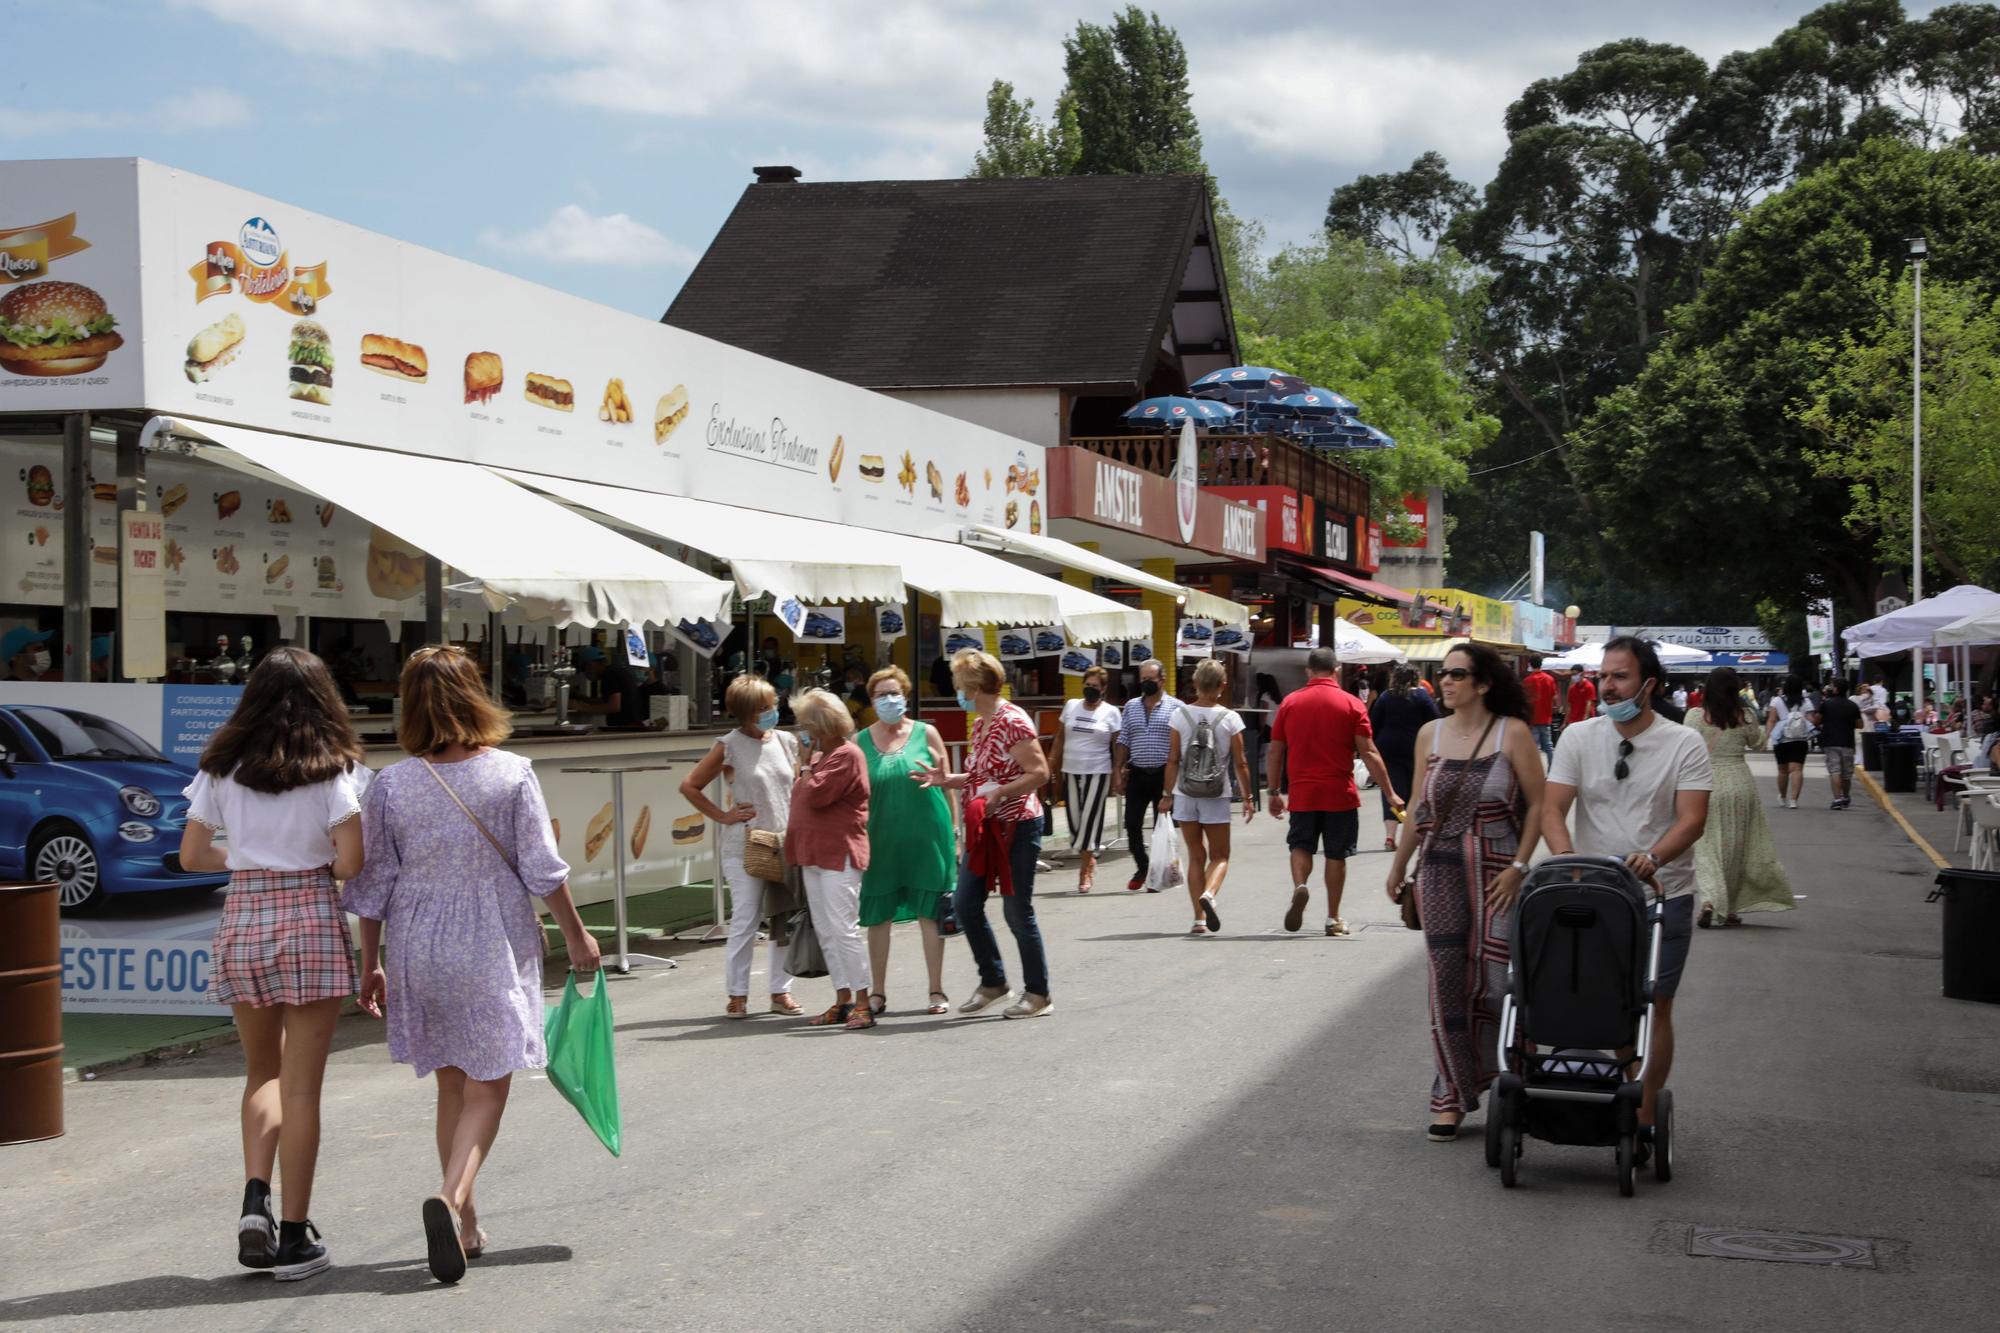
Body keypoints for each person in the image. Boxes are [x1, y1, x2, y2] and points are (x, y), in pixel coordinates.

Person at [342, 645, 602, 1285]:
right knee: (491, 1082)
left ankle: (466, 1227)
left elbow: (372, 884)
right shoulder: (511, 773)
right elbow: (542, 867)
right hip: (489, 939)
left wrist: (369, 962)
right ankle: (452, 1197)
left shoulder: (392, 783)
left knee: (453, 1084)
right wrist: (576, 935)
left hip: (416, 942)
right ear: (475, 697)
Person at [175, 648, 366, 1283]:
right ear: (323, 699)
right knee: (303, 1086)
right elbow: (350, 863)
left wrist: (249, 858)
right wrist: (304, 859)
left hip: (245, 919)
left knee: (261, 1071)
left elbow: (192, 855)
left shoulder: (221, 768)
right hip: (310, 915)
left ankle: (254, 1196)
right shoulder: (334, 771)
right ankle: (293, 1235)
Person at [1542, 636, 1712, 1155]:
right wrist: (1569, 862)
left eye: (1620, 677)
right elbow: (1553, 810)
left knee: (1654, 1003)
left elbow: (1692, 819)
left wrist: (1653, 858)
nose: (1607, 686)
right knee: (1607, 999)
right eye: (1603, 676)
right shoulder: (1577, 736)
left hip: (1664, 893)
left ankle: (1641, 1110)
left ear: (1649, 685)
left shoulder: (1684, 743)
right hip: (1593, 891)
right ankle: (1616, 1090)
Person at [1384, 643, 1545, 1141]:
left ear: (1483, 683)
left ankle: (1515, 1080)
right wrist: (1399, 863)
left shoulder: (1512, 733)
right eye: (1443, 673)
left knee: (1497, 982)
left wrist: (1521, 865)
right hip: (1439, 869)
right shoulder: (1429, 733)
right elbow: (1417, 804)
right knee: (1447, 983)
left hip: (1498, 869)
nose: (1446, 682)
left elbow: (1539, 805)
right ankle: (1451, 1093)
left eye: (1457, 674)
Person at [913, 649, 1053, 1019]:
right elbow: (980, 777)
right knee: (964, 903)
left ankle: (1038, 993)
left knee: (1016, 910)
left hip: (1018, 825)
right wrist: (947, 780)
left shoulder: (1012, 720)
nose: (956, 692)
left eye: (959, 685)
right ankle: (993, 980)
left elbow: (1040, 773)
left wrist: (1000, 794)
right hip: (986, 827)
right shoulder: (981, 722)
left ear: (974, 686)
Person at [678, 674, 804, 1019]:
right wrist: (722, 815)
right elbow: (690, 786)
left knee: (784, 918)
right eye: (764, 708)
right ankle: (737, 994)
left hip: (783, 840)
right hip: (746, 844)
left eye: (773, 705)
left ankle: (781, 991)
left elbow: (796, 785)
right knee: (746, 918)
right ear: (746, 712)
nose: (771, 712)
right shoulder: (729, 744)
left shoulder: (786, 741)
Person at [1267, 646, 1402, 937]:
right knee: (1336, 855)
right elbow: (1369, 752)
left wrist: (1274, 791)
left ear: (1308, 671)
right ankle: (1332, 918)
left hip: (1302, 793)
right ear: (1337, 670)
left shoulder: (1290, 703)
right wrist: (1390, 793)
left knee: (1300, 846)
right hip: (1339, 793)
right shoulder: (1352, 704)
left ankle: (1300, 885)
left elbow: (1276, 751)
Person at [856, 667, 954, 1017]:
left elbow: (946, 783)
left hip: (928, 837)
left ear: (906, 696)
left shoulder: (928, 733)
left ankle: (936, 989)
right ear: (871, 700)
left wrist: (955, 834)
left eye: (894, 693)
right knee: (877, 916)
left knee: (930, 913)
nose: (888, 700)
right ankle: (877, 992)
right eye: (881, 695)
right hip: (880, 840)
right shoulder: (860, 740)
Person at [786, 688, 875, 1029]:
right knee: (826, 929)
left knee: (843, 928)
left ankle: (862, 1001)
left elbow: (817, 794)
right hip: (815, 854)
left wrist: (807, 768)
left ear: (820, 726)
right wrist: (808, 768)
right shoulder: (824, 757)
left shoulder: (846, 755)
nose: (802, 732)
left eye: (806, 725)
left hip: (839, 854)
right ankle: (843, 997)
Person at [1687, 667, 1795, 926]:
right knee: (1737, 847)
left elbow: (1686, 747)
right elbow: (1759, 744)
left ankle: (1711, 900)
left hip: (1705, 782)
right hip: (1739, 782)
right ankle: (1731, 908)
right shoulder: (1744, 715)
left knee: (1706, 846)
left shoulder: (1695, 716)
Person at [1160, 658, 1256, 935]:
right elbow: (1241, 763)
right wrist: (1248, 798)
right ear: (1223, 685)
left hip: (1185, 792)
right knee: (1221, 855)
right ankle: (1210, 893)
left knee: (1196, 856)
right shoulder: (1231, 718)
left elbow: (1173, 759)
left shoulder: (1179, 715)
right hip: (1216, 794)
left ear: (1195, 683)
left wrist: (1168, 794)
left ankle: (1198, 919)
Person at [1050, 665, 1121, 893]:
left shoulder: (1111, 712)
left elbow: (1116, 744)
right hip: (1071, 769)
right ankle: (1089, 857)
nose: (1090, 689)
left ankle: (1085, 871)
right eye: (1087, 685)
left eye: (1095, 686)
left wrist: (1118, 770)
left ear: (1103, 689)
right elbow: (1060, 737)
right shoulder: (1071, 706)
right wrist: (1051, 762)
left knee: (1090, 820)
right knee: (1074, 821)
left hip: (1098, 771)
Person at [1113, 658, 1182, 891]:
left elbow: (1181, 744)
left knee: (1160, 829)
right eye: (1142, 679)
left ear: (1162, 680)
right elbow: (1123, 739)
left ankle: (1155, 876)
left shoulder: (1176, 707)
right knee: (1131, 824)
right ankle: (1143, 866)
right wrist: (1118, 770)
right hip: (1138, 773)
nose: (1145, 684)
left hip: (1164, 774)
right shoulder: (1131, 706)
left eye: (1150, 679)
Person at [1370, 667, 1439, 850]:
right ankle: (1415, 833)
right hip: (1415, 748)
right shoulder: (1422, 697)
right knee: (1415, 791)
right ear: (1416, 678)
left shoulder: (1385, 696)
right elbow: (1436, 720)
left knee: (1391, 791)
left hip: (1388, 749)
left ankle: (1390, 836)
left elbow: (1373, 724)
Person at [1810, 679, 1864, 810]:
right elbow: (1860, 724)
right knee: (1846, 773)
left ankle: (1837, 798)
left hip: (1830, 742)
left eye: (1833, 686)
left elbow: (1816, 721)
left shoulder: (1826, 704)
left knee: (1835, 770)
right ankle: (1845, 796)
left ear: (1836, 689)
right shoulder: (1853, 705)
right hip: (1847, 742)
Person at [568, 644, 646, 728]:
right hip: (632, 725)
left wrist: (581, 707)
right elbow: (606, 701)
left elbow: (614, 706)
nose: (586, 673)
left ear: (591, 664)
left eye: (584, 669)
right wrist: (581, 697)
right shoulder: (616, 670)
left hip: (625, 727)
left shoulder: (609, 674)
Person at [1765, 675, 1810, 809]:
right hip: (1800, 739)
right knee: (1797, 769)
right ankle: (1794, 800)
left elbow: (1771, 720)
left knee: (1783, 770)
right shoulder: (1806, 702)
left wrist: (1767, 737)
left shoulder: (1777, 701)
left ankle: (1783, 797)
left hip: (1782, 739)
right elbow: (1811, 720)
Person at [1521, 656, 1557, 765]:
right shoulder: (1550, 679)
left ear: (1530, 665)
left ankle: (1535, 771)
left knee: (1534, 747)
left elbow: (1524, 700)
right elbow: (1554, 698)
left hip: (1532, 719)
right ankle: (1552, 770)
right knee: (1548, 746)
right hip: (1546, 718)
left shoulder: (1527, 681)